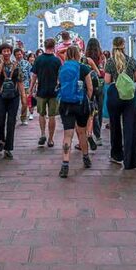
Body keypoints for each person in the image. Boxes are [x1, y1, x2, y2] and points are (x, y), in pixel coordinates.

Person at [104, 36, 136, 169]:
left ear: (113, 46)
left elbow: (107, 81)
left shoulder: (110, 61)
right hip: (130, 96)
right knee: (131, 127)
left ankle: (116, 155)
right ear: (124, 45)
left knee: (115, 126)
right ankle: (131, 161)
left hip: (114, 95)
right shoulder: (131, 61)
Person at [57, 44, 93, 178]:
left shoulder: (62, 67)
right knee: (82, 132)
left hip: (66, 104)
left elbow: (59, 84)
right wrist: (87, 100)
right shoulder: (83, 68)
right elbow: (90, 88)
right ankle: (86, 158)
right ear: (78, 54)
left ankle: (65, 163)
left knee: (68, 134)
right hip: (80, 104)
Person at [0, 43, 24, 159]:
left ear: (11, 52)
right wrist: (0, 64)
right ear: (1, 53)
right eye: (4, 51)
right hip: (1, 96)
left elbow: (20, 81)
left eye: (8, 51)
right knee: (0, 120)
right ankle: (1, 139)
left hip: (14, 97)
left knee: (11, 122)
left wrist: (24, 98)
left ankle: (8, 148)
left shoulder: (16, 65)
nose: (6, 53)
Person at [30, 38, 61, 148]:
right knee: (52, 115)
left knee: (41, 114)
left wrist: (30, 90)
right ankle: (51, 139)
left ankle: (43, 134)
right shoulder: (57, 60)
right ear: (54, 46)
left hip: (41, 91)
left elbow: (34, 76)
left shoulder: (38, 60)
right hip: (53, 92)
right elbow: (59, 77)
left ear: (44, 46)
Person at [83, 38, 104, 149]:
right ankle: (98, 134)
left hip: (88, 86)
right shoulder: (102, 57)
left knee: (91, 110)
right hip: (99, 86)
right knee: (98, 110)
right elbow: (101, 72)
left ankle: (91, 132)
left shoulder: (85, 59)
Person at [14, 48, 31, 125]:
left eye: (20, 54)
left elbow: (30, 75)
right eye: (17, 55)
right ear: (14, 56)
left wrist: (32, 86)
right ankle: (14, 117)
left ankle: (23, 117)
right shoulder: (13, 64)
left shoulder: (27, 63)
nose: (19, 56)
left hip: (25, 85)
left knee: (25, 102)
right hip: (15, 86)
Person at [26, 52, 37, 119]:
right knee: (29, 99)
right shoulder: (26, 65)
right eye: (30, 57)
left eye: (33, 57)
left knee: (32, 99)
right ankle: (30, 112)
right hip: (27, 84)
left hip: (35, 84)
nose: (32, 59)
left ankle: (31, 112)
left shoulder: (36, 65)